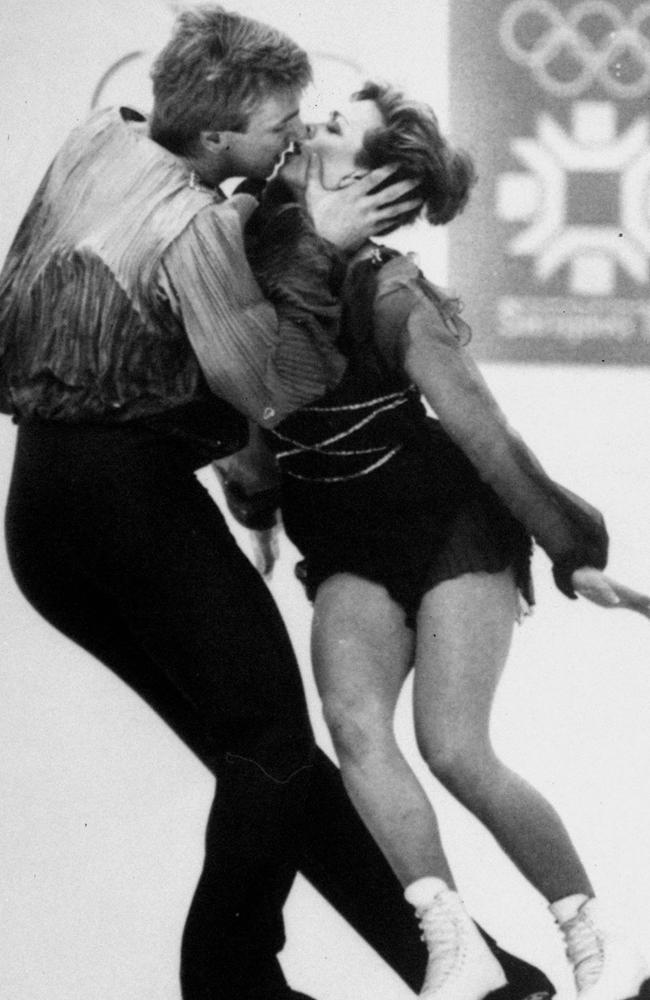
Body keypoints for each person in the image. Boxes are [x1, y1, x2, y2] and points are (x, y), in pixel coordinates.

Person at [0, 6, 557, 1000]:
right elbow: (271, 389)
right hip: (123, 504)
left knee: (271, 754)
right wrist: (314, 247)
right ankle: (231, 984)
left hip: (39, 513)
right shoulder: (197, 226)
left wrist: (251, 502)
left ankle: (472, 970)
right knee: (269, 743)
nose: (294, 135)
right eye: (279, 122)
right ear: (215, 135)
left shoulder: (102, 138)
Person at [217, 81, 650, 1000]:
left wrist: (576, 552)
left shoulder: (389, 289)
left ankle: (592, 941)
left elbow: (485, 436)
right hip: (343, 537)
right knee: (351, 722)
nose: (309, 127)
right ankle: (454, 946)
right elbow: (250, 418)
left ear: (372, 188)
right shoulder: (248, 255)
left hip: (448, 527)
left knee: (453, 746)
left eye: (334, 127)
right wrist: (253, 515)